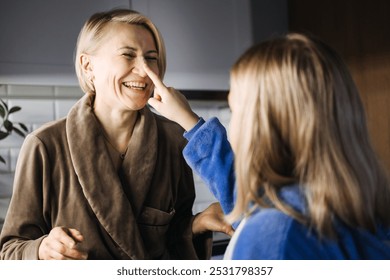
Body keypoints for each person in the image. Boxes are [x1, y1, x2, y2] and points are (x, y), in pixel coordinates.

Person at [0, 9, 232, 260]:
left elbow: (170, 238)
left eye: (151, 58)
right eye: (128, 55)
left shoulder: (174, 139)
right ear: (88, 66)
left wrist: (195, 224)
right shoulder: (44, 146)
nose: (144, 71)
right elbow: (10, 249)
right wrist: (41, 249)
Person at [144, 33, 390, 259]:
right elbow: (257, 203)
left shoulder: (274, 234)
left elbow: (267, 222)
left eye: (236, 109)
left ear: (263, 124)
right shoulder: (361, 209)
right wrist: (189, 121)